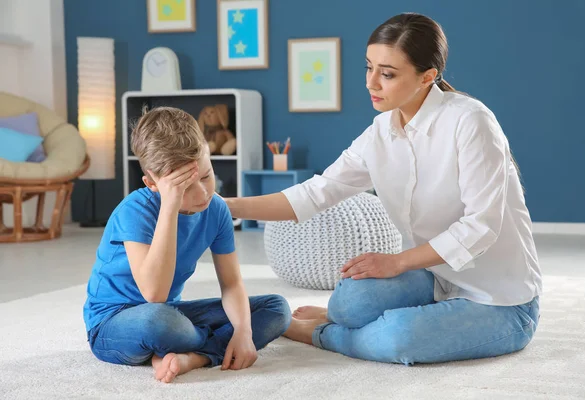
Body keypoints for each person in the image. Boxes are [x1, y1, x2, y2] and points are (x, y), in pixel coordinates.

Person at [225, 13, 542, 365]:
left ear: (427, 77)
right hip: (435, 281)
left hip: (499, 300)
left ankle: (321, 334)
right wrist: (227, 206)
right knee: (350, 303)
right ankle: (343, 319)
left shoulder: (470, 122)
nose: (371, 82)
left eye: (387, 74)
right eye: (368, 67)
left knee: (398, 337)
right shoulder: (380, 132)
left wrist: (398, 262)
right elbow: (317, 193)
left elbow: (480, 228)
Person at [83, 107, 291, 383]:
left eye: (206, 176)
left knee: (276, 309)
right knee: (159, 322)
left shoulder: (216, 209)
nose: (203, 193)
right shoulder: (134, 210)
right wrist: (169, 205)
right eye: (184, 187)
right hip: (114, 323)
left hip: (174, 315)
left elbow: (231, 284)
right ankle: (195, 344)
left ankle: (195, 357)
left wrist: (243, 331)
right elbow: (155, 294)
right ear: (152, 183)